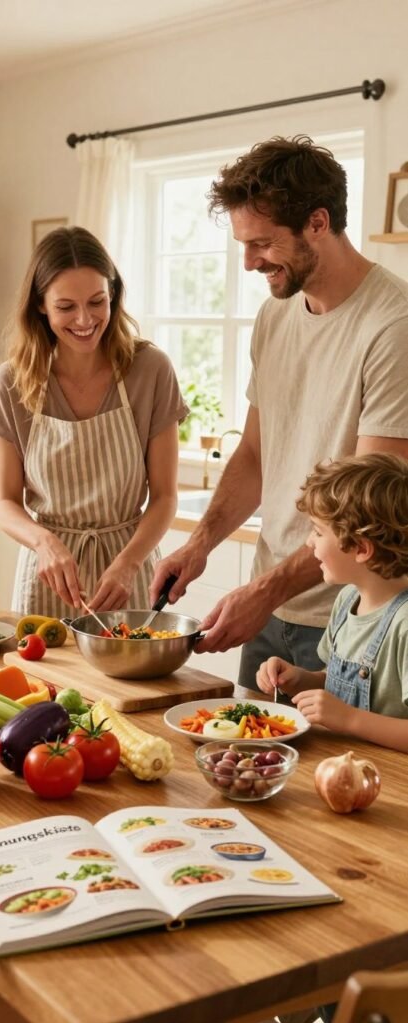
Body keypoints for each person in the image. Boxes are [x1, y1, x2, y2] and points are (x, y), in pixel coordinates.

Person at [151, 135, 408, 689]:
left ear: (318, 222)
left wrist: (264, 590)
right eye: (243, 244)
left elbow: (370, 511)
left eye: (263, 243)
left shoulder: (394, 327)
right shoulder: (276, 316)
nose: (248, 262)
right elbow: (255, 454)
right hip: (270, 609)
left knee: (341, 777)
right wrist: (199, 545)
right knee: (245, 765)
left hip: (359, 620)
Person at [0, 225, 188, 619]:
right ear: (40, 305)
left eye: (97, 301)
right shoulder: (12, 382)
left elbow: (164, 496)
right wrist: (44, 543)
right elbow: (5, 502)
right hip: (49, 579)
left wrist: (128, 563)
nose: (84, 319)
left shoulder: (150, 370)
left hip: (129, 571)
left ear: (113, 294)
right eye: (66, 307)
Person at [257, 453, 408, 751]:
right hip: (343, 766)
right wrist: (300, 680)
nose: (310, 542)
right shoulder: (348, 599)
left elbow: (347, 713)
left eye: (317, 531)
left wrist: (350, 719)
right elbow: (336, 682)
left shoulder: (404, 623)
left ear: (361, 548)